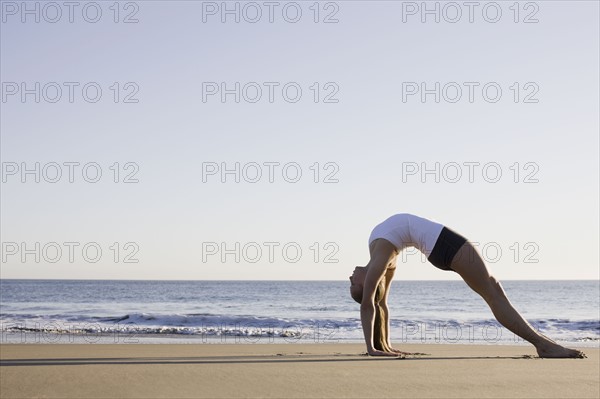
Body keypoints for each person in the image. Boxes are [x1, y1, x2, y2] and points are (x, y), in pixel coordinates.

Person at [349, 213, 585, 358]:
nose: (350, 279)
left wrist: (386, 346)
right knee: (494, 292)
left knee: (494, 291)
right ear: (368, 282)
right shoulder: (379, 260)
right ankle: (543, 345)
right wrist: (370, 348)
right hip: (444, 245)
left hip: (439, 247)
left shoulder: (381, 257)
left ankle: (545, 343)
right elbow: (370, 303)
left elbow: (382, 304)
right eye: (354, 286)